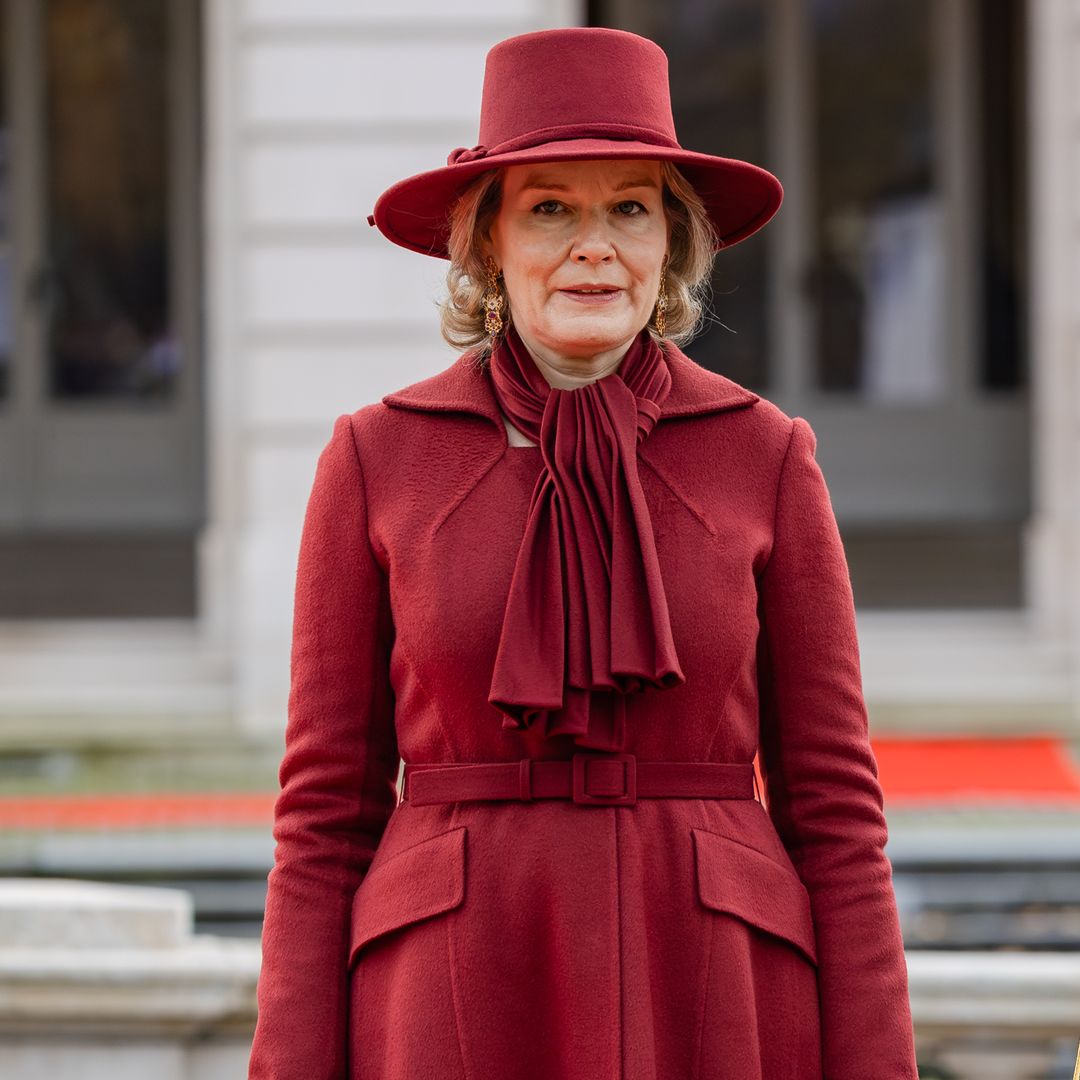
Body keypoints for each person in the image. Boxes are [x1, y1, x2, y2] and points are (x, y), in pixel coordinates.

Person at [247, 26, 918, 1080]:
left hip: (715, 989)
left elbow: (836, 811)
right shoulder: (376, 458)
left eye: (630, 209)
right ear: (487, 244)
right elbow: (324, 816)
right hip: (452, 992)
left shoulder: (766, 455)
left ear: (674, 246)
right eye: (550, 207)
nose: (593, 245)